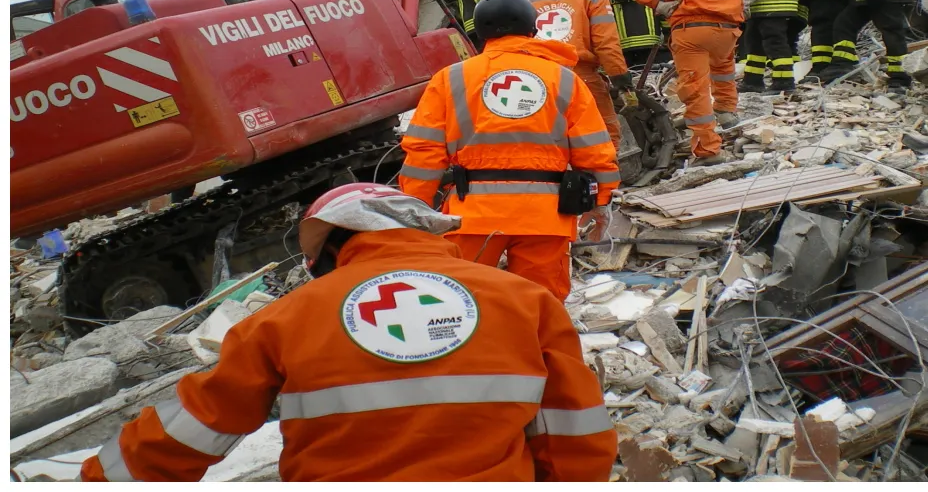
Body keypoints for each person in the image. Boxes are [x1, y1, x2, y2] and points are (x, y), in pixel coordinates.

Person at [79, 183, 617, 482]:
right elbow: (573, 430)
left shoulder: (285, 318)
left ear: (330, 249)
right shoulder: (522, 299)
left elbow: (188, 432)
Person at [397, 0, 620, 302]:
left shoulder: (451, 79)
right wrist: (603, 199)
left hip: (473, 216)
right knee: (542, 310)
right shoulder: (564, 79)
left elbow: (424, 152)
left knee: (463, 306)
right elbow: (594, 149)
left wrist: (415, 208)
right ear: (533, 30)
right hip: (545, 218)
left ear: (479, 33)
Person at [624, 0, 743, 165]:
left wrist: (658, 5)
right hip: (728, 29)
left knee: (696, 89)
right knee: (723, 73)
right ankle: (728, 115)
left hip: (692, 31)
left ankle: (708, 151)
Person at [529, 0, 633, 149]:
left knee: (554, 136)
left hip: (540, 78)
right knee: (602, 132)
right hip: (581, 76)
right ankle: (604, 178)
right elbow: (606, 44)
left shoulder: (532, 1)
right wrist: (621, 79)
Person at [605, 0, 666, 68]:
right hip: (651, 48)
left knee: (630, 81)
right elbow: (664, 16)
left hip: (623, 51)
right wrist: (668, 37)